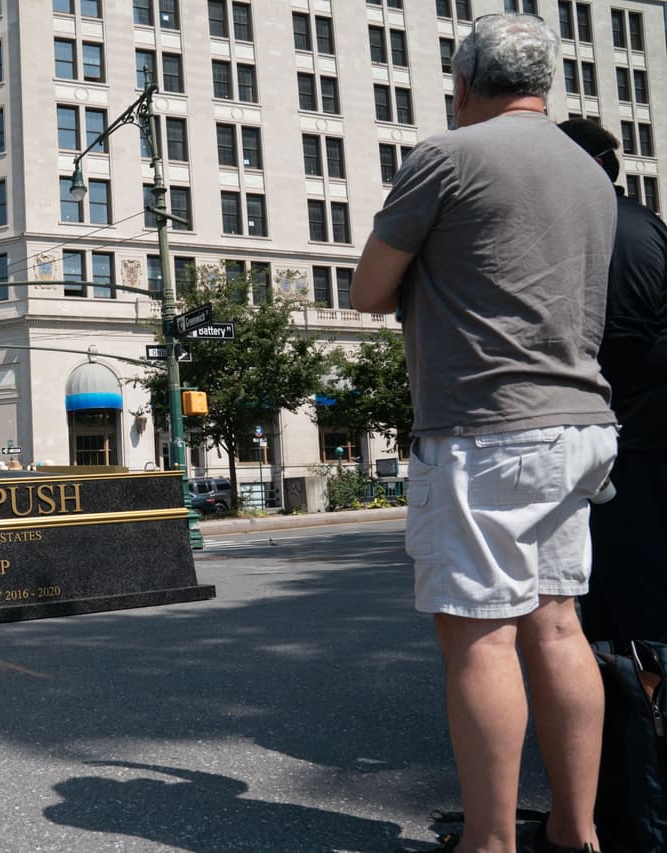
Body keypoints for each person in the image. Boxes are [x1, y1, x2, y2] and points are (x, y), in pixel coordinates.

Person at [351, 15, 617, 853]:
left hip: (484, 427)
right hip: (579, 422)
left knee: (479, 632)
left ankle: (490, 842)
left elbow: (367, 289)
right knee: (559, 624)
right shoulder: (588, 172)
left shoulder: (448, 156)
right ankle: (576, 833)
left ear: (463, 83)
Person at [556, 118, 667, 645]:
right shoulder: (615, 223)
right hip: (627, 435)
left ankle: (646, 693)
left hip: (637, 440)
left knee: (635, 592)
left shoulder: (619, 227)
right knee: (611, 592)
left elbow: (623, 338)